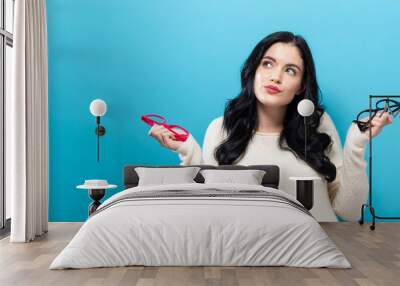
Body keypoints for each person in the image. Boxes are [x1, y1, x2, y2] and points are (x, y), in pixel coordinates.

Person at [147, 31, 392, 222]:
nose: (276, 76)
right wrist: (188, 151)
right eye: (268, 64)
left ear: (300, 86)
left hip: (319, 252)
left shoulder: (318, 125)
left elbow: (349, 213)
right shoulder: (221, 129)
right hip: (248, 256)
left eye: (290, 70)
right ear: (253, 70)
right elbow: (208, 207)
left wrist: (357, 145)